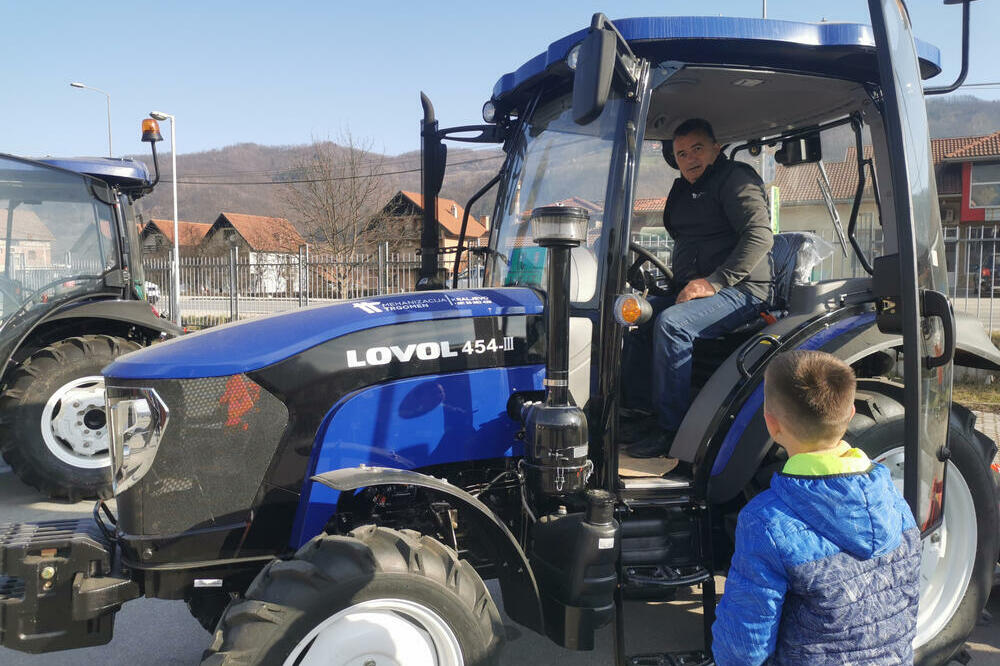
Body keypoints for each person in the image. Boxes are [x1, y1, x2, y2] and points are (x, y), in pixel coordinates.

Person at [712, 350, 920, 666]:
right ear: (851, 413)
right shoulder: (893, 498)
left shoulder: (766, 521)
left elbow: (744, 646)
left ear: (771, 424)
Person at [625, 118, 774, 457]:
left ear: (715, 149)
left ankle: (671, 430)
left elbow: (760, 236)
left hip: (743, 290)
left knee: (673, 324)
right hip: (695, 288)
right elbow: (686, 241)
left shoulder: (735, 179)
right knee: (634, 314)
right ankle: (635, 413)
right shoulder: (682, 190)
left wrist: (713, 281)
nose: (690, 159)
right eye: (681, 154)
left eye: (697, 149)